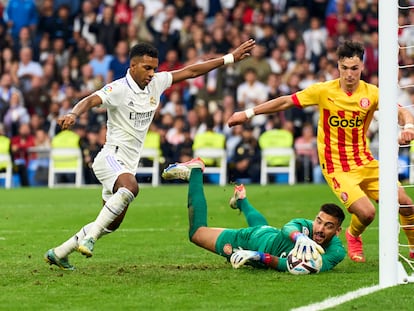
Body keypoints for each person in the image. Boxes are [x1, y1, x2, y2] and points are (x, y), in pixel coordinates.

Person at [44, 39, 256, 270]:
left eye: (154, 68)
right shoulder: (118, 89)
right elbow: (90, 100)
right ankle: (90, 239)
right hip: (110, 158)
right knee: (131, 188)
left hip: (127, 165)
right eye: (147, 68)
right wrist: (73, 114)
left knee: (111, 223)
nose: (152, 73)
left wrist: (230, 58)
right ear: (132, 66)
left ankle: (59, 253)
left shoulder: (157, 83)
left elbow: (193, 70)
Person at [227, 40, 414, 263]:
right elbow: (286, 101)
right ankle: (353, 234)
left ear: (362, 67)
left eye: (354, 68)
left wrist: (408, 127)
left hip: (365, 161)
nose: (349, 74)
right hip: (337, 167)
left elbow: (402, 112)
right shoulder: (324, 91)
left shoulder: (371, 94)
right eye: (344, 68)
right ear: (338, 67)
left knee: (406, 204)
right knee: (367, 213)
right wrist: (247, 114)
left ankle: (412, 250)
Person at [160, 157, 346, 272]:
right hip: (250, 240)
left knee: (261, 227)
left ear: (337, 231)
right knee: (197, 233)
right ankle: (196, 172)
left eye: (328, 226)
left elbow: (293, 266)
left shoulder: (336, 252)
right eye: (319, 222)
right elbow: (288, 228)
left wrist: (258, 256)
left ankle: (242, 199)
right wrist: (299, 237)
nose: (320, 229)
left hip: (263, 238)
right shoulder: (305, 227)